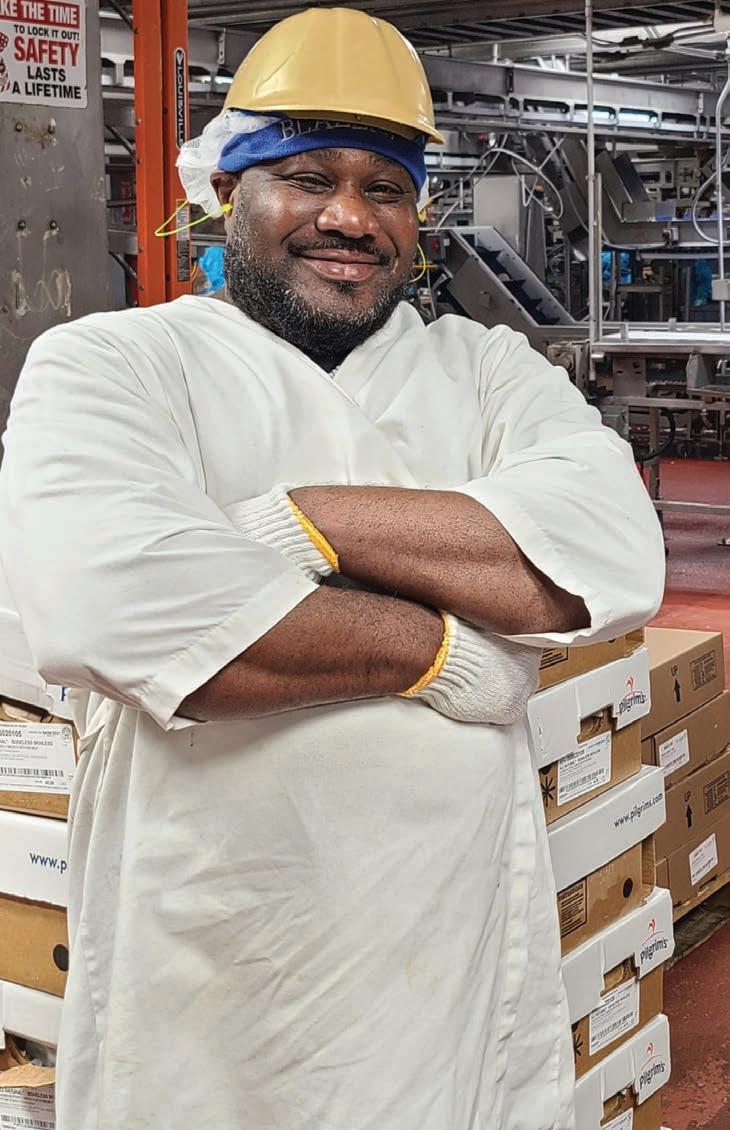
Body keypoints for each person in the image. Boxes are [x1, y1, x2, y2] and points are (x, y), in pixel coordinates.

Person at [0, 8, 665, 1130]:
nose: (350, 216)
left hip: (446, 947)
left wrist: (304, 522)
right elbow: (112, 606)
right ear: (228, 190)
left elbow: (603, 556)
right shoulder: (114, 364)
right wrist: (438, 649)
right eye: (308, 177)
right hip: (209, 943)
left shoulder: (488, 371)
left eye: (385, 188)